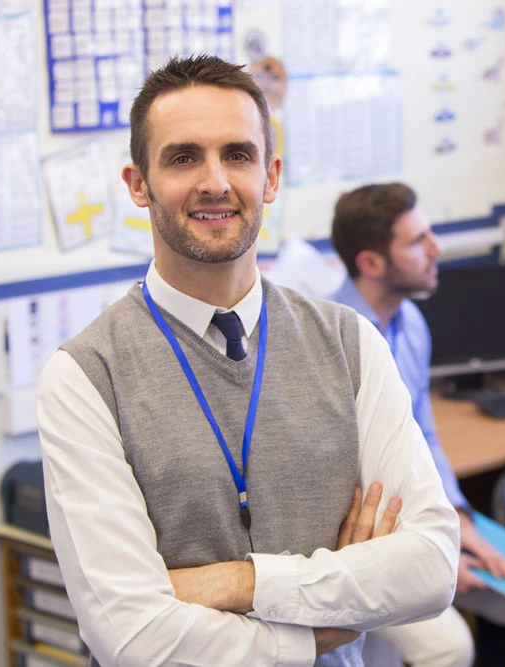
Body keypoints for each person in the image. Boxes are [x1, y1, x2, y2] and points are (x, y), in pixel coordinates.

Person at [36, 55, 459, 667]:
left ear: (270, 176)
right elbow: (130, 637)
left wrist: (239, 582)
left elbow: (431, 566)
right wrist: (311, 633)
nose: (215, 182)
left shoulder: (350, 342)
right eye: (183, 158)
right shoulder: (84, 376)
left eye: (238, 154)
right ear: (137, 184)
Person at [329, 182, 505, 667]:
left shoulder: (412, 324)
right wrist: (435, 550)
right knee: (450, 648)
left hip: (426, 523)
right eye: (418, 240)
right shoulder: (330, 337)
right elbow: (341, 482)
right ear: (372, 264)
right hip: (365, 542)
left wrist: (460, 520)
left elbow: (425, 435)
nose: (436, 249)